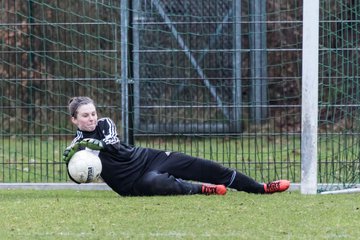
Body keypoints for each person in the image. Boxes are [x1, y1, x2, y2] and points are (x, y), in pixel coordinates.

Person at [62, 96, 290, 196]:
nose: (91, 118)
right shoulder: (77, 148)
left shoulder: (105, 124)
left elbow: (115, 147)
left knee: (200, 165)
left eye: (93, 113)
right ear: (74, 120)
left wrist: (95, 143)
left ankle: (259, 188)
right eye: (85, 115)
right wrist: (72, 164)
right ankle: (201, 190)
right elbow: (80, 176)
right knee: (157, 182)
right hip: (132, 184)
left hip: (148, 158)